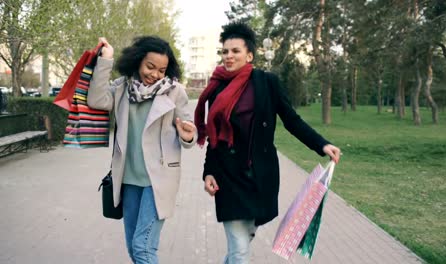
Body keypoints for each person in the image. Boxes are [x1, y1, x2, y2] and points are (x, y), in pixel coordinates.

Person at [194, 22, 341, 264]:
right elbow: (215, 137)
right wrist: (208, 172)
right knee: (240, 252)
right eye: (225, 51)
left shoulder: (267, 82)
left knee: (242, 243)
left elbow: (291, 120)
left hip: (259, 177)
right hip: (228, 178)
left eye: (235, 51)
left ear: (249, 55)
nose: (228, 56)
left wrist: (322, 144)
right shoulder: (217, 88)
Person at [87, 36, 197, 264]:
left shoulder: (174, 92)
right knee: (134, 247)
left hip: (158, 181)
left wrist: (188, 135)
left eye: (161, 70)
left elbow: (189, 131)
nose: (155, 74)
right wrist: (106, 60)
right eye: (150, 66)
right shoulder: (122, 88)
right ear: (137, 61)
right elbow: (96, 100)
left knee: (142, 247)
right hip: (128, 180)